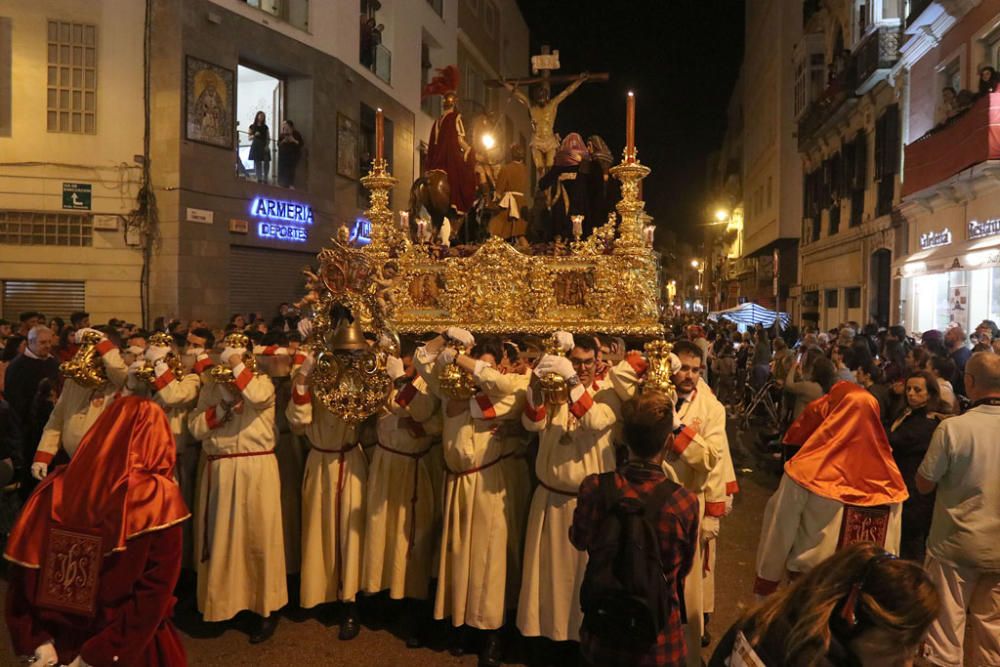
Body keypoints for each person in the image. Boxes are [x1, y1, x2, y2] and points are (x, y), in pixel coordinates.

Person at [4, 396, 190, 667]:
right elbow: (154, 593)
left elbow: (24, 572)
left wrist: (35, 639)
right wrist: (102, 654)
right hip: (130, 647)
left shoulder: (53, 489)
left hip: (59, 643)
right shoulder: (156, 498)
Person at [413, 327, 528, 667]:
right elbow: (422, 361)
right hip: (457, 483)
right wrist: (444, 336)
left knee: (488, 560)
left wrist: (463, 361)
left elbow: (504, 385)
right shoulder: (452, 392)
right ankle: (462, 625)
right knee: (459, 556)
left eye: (485, 367)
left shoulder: (506, 393)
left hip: (486, 481)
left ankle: (491, 633)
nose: (474, 373)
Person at [571, 390, 699, 667]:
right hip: (659, 640)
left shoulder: (594, 487)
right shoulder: (683, 502)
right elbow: (684, 568)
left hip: (602, 631)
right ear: (668, 442)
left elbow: (579, 539)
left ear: (624, 438)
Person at [516, 334, 621, 660]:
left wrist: (572, 379)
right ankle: (546, 643)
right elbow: (532, 424)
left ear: (598, 361)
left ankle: (581, 645)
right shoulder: (555, 391)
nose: (583, 367)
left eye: (588, 362)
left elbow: (594, 421)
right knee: (548, 582)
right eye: (576, 362)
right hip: (551, 499)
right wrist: (535, 383)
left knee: (582, 583)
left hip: (590, 506)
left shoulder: (608, 394)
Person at [754, 383, 907, 597]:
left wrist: (766, 584)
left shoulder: (805, 472)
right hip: (860, 596)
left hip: (810, 588)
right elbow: (891, 547)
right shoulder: (889, 480)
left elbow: (779, 531)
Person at [188, 335, 286, 643]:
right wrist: (220, 411)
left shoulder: (263, 383)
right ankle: (224, 605)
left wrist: (235, 364)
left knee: (258, 538)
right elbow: (194, 426)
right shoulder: (211, 387)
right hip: (222, 467)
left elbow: (256, 397)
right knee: (223, 540)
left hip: (257, 469)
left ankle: (264, 609)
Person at [710, 542, 939, 667]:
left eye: (916, 648)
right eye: (898, 646)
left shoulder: (772, 618)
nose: (907, 664)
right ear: (851, 621)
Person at [287, 320, 369, 641]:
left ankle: (350, 602)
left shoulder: (363, 381)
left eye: (352, 354)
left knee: (351, 534)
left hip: (350, 461)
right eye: (342, 354)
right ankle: (320, 593)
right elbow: (298, 422)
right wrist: (304, 378)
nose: (347, 359)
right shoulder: (316, 381)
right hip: (320, 461)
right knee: (318, 529)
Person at [916, 351, 1000, 667]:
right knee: (992, 635)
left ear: (969, 382)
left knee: (944, 634)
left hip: (953, 546)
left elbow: (924, 483)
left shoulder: (953, 429)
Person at [362, 345, 442, 647]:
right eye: (403, 367)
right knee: (382, 533)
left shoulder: (427, 382)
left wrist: (400, 383)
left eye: (410, 366)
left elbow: (426, 413)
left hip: (413, 466)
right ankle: (381, 597)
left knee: (410, 538)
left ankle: (412, 606)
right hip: (385, 464)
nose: (407, 370)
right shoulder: (384, 377)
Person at [32, 327, 128, 479]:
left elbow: (120, 373)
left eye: (92, 348)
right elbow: (57, 419)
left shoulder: (120, 382)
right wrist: (43, 456)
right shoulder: (75, 382)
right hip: (75, 463)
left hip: (109, 469)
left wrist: (101, 343)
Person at [887, 371, 942, 563]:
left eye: (917, 390)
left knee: (911, 547)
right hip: (901, 483)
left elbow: (895, 440)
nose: (911, 393)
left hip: (915, 491)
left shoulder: (927, 422)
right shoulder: (907, 414)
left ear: (929, 394)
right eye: (908, 389)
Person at [421, 66, 478, 215]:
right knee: (468, 176)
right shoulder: (456, 118)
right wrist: (469, 150)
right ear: (454, 103)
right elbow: (459, 139)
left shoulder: (437, 121)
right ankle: (458, 204)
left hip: (434, 162)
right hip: (448, 159)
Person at [3, 325, 59, 436]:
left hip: (50, 420)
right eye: (43, 343)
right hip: (27, 426)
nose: (48, 346)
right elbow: (14, 399)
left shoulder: (53, 362)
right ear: (30, 342)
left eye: (49, 342)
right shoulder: (18, 366)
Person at [277, 119, 303, 188]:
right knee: (283, 171)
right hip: (284, 156)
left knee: (291, 171)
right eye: (284, 126)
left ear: (291, 126)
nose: (284, 127)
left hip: (293, 156)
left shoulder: (296, 134)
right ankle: (283, 185)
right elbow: (278, 144)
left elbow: (301, 144)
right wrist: (283, 141)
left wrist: (293, 140)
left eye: (286, 125)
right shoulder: (282, 135)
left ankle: (291, 185)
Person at [945, 325, 970, 396]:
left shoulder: (958, 358)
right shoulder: (966, 352)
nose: (945, 336)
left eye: (949, 334)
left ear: (957, 337)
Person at [248, 111, 270, 184]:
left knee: (266, 162)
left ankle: (265, 178)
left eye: (263, 116)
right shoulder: (252, 126)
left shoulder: (265, 127)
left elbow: (268, 137)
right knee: (257, 162)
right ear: (257, 116)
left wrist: (267, 145)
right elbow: (249, 137)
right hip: (256, 145)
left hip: (264, 145)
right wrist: (254, 135)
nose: (261, 117)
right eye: (260, 116)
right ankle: (259, 178)